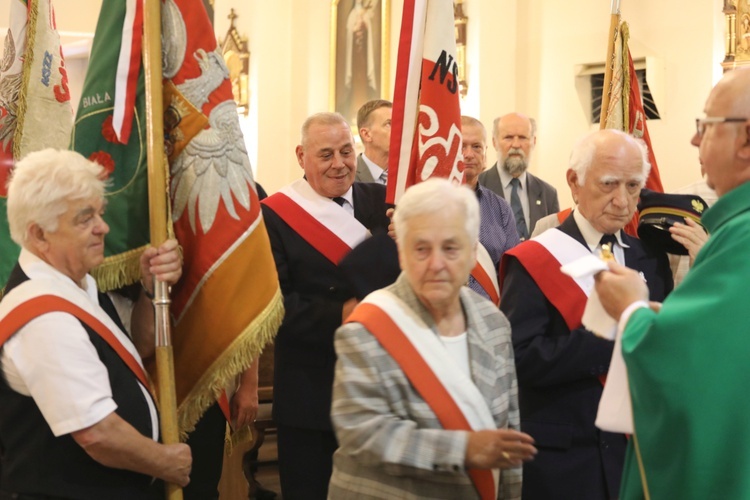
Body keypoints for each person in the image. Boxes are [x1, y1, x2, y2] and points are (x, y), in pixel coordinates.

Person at [594, 66, 750, 500]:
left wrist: (632, 311)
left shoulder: (742, 238)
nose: (695, 140)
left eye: (707, 126)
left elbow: (692, 371)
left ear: (746, 139)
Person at [0, 149, 191, 499]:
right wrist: (165, 461)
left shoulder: (79, 284)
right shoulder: (44, 316)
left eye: (100, 214)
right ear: (39, 234)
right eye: (84, 219)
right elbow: (97, 434)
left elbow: (140, 347)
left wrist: (150, 291)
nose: (103, 227)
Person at [329, 178, 536, 499]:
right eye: (422, 248)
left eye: (451, 248)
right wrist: (463, 448)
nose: (436, 264)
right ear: (402, 255)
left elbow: (507, 437)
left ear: (471, 255)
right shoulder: (368, 328)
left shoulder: (494, 323)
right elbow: (362, 432)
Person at [499, 129, 673, 500]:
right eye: (609, 184)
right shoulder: (534, 258)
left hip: (637, 451)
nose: (623, 200)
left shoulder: (651, 258)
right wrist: (613, 340)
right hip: (565, 459)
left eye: (633, 185)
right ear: (574, 183)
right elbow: (519, 358)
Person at [260, 112, 390, 499]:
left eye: (347, 152)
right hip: (312, 393)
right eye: (326, 154)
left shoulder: (384, 203)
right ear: (302, 156)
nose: (340, 164)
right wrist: (342, 314)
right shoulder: (274, 215)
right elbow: (273, 308)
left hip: (381, 389)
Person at [461, 116, 520, 302]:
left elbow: (513, 274)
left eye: (476, 147)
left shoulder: (501, 209)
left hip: (488, 319)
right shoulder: (427, 204)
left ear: (485, 153)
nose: (469, 154)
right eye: (461, 146)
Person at [478, 113, 559, 240]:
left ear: (534, 141)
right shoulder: (477, 187)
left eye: (522, 137)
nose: (516, 145)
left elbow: (554, 243)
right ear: (494, 142)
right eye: (508, 137)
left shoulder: (548, 194)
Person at [355, 99, 392, 184]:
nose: (399, 130)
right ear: (366, 134)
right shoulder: (348, 176)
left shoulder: (406, 174)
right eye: (388, 124)